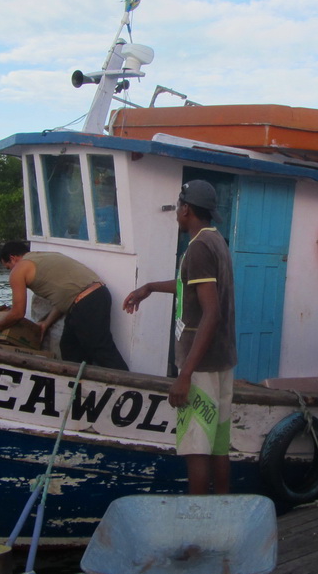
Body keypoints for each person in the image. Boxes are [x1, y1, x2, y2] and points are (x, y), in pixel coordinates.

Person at [122, 180, 237, 494]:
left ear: (186, 209)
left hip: (199, 365)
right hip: (222, 361)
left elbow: (210, 311)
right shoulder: (216, 242)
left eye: (178, 205)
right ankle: (221, 513)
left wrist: (184, 374)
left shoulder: (199, 246)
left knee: (196, 448)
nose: (177, 211)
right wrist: (149, 288)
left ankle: (198, 525)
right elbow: (192, 286)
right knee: (218, 446)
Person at [0, 242, 128, 371]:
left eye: (8, 267)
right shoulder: (46, 257)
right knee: (69, 348)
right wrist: (46, 323)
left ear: (13, 258)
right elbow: (65, 295)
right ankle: (79, 389)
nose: (10, 271)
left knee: (100, 348)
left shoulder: (19, 270)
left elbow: (17, 313)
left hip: (86, 302)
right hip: (95, 296)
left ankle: (129, 386)